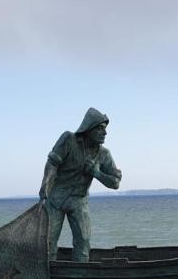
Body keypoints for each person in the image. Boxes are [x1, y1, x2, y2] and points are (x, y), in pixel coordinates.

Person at [39, 108, 122, 262]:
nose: (105, 133)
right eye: (100, 128)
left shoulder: (104, 154)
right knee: (48, 243)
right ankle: (47, 275)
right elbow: (52, 163)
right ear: (88, 128)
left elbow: (115, 183)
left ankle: (79, 276)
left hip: (79, 202)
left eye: (105, 129)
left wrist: (97, 173)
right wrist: (45, 183)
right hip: (55, 199)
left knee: (83, 241)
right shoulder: (68, 139)